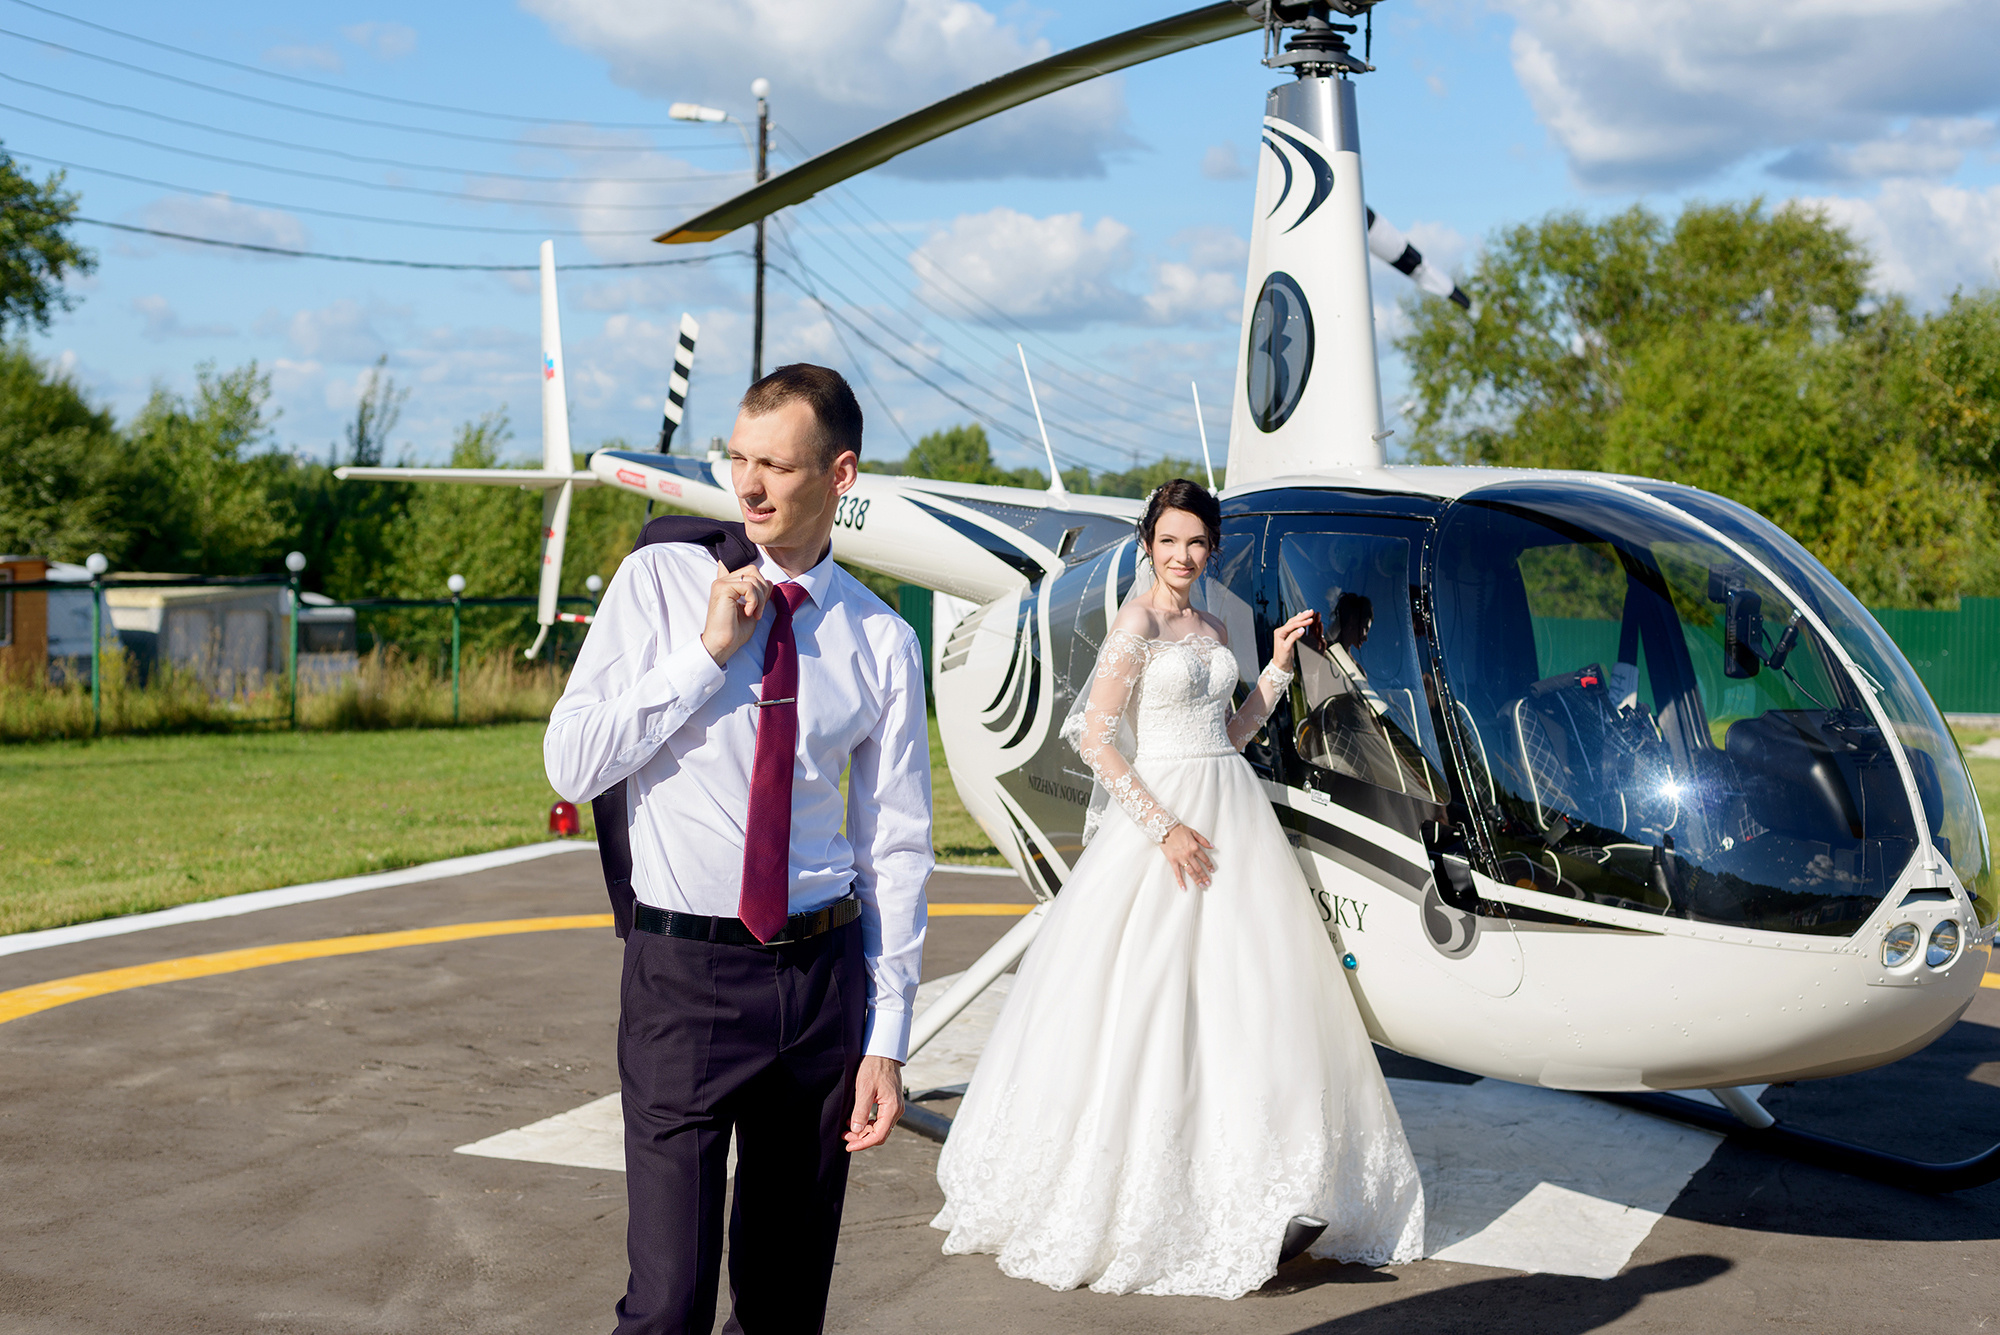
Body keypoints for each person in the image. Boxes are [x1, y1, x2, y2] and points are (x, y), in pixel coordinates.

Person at [932, 479, 1424, 1299]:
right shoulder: (1137, 623)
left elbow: (1230, 732)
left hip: (1231, 808)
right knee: (1153, 997)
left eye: (1196, 542)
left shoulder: (1214, 626)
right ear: (1148, 544)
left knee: (1250, 994)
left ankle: (1267, 1182)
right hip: (1163, 820)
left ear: (1211, 547)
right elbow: (1095, 738)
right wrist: (1164, 829)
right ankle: (1150, 1191)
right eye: (1169, 541)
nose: (1183, 555)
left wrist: (1275, 669)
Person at [545, 364, 933, 1335]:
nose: (748, 486)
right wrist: (705, 654)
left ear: (840, 474)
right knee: (667, 1305)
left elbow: (895, 847)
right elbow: (571, 763)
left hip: (819, 988)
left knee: (782, 1307)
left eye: (777, 466)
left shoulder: (881, 640)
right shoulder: (660, 582)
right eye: (738, 459)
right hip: (684, 977)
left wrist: (885, 1038)